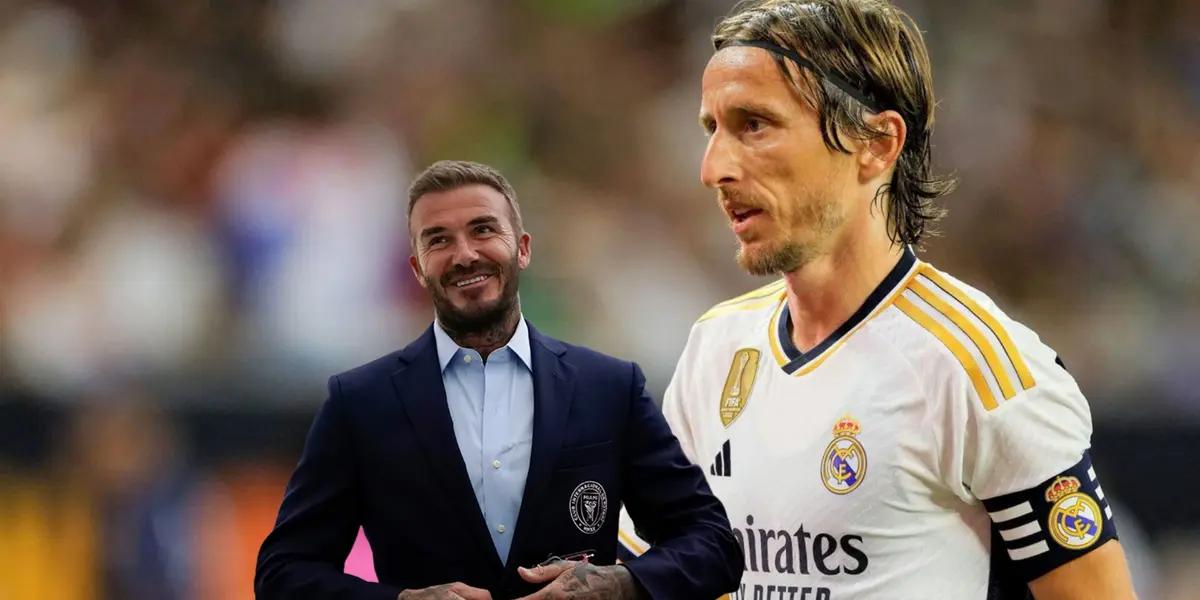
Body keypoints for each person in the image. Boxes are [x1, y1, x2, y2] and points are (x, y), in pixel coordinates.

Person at [617, 1, 1137, 598]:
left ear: (876, 143)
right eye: (712, 129)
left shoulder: (978, 368)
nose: (713, 168)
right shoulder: (716, 348)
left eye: (754, 125)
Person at [255, 160, 743, 600]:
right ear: (417, 269)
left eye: (482, 230)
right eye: (438, 240)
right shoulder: (360, 403)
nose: (464, 254)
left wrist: (624, 584)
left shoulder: (608, 388)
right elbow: (283, 572)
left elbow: (713, 543)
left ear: (523, 248)